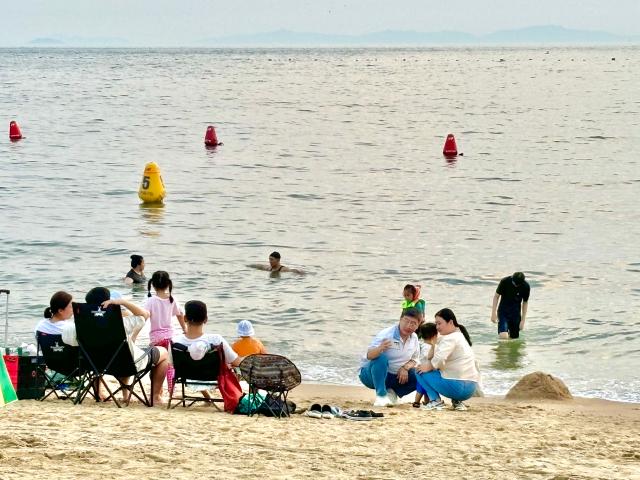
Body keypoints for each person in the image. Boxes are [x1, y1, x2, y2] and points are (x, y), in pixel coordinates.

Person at [61, 286, 169, 406]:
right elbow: (144, 315)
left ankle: (100, 393)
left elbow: (66, 340)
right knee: (163, 352)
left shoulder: (77, 327)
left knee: (108, 352)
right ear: (109, 302)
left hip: (95, 365)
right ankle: (155, 397)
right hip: (125, 364)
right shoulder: (121, 323)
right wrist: (121, 302)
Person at [172, 300, 242, 401]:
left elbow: (171, 363)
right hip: (213, 378)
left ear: (185, 318)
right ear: (206, 320)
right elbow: (236, 361)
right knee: (234, 367)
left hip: (187, 377)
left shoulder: (175, 341)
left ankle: (207, 396)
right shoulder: (216, 340)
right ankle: (234, 397)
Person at [416, 308, 479, 411]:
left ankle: (435, 401)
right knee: (439, 369)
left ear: (450, 322)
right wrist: (433, 345)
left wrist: (428, 367)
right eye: (436, 324)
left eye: (439, 323)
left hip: (457, 388)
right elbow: (431, 357)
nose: (437, 327)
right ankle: (457, 402)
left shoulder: (449, 338)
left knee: (418, 370)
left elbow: (439, 359)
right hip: (471, 389)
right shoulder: (459, 336)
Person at [359, 308, 421, 407]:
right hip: (371, 374)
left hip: (395, 377)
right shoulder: (387, 334)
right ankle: (381, 396)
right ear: (400, 320)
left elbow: (415, 359)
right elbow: (369, 355)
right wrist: (380, 348)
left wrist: (405, 368)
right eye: (406, 321)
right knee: (381, 358)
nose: (409, 326)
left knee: (419, 374)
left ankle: (392, 393)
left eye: (413, 323)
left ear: (418, 325)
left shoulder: (414, 338)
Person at [145, 271, 186, 395]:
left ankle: (157, 391)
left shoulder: (150, 301)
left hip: (156, 339)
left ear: (152, 285)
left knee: (155, 365)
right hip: (170, 339)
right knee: (167, 364)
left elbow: (144, 316)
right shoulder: (172, 300)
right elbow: (180, 315)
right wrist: (185, 329)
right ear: (168, 284)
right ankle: (160, 391)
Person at [491, 271, 530, 339]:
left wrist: (523, 320)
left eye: (517, 285)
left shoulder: (526, 286)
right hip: (503, 312)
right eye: (514, 283)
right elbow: (496, 296)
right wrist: (493, 313)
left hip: (516, 314)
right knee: (504, 336)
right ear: (512, 278)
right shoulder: (505, 281)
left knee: (514, 339)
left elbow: (525, 302)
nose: (515, 285)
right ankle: (502, 348)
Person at [412, 322, 437, 408]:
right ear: (434, 335)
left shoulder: (422, 344)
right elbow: (428, 356)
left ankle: (425, 401)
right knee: (422, 388)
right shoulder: (428, 347)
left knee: (424, 388)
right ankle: (417, 401)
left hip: (422, 370)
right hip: (424, 371)